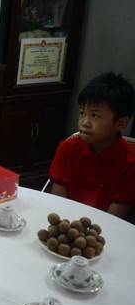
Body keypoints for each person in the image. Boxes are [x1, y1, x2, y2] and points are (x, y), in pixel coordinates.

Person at [49, 71, 135, 219]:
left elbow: (113, 219)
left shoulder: (131, 164)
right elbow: (57, 205)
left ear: (121, 123)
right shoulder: (68, 149)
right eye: (82, 113)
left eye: (95, 115)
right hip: (64, 223)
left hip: (104, 229)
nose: (85, 123)